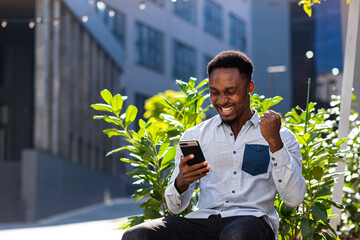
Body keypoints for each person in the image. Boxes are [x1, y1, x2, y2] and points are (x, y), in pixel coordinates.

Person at [122, 50, 306, 240]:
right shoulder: (195, 136)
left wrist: (275, 143)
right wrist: (182, 182)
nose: (222, 100)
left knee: (235, 234)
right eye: (214, 92)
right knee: (136, 235)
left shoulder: (281, 136)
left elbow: (294, 199)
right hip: (201, 222)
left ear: (249, 87)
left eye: (231, 92)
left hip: (251, 223)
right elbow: (175, 208)